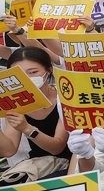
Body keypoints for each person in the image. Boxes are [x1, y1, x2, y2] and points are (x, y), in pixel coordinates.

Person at [0, 47, 70, 183]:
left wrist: (27, 129)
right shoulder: (17, 103)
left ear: (48, 70)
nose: (27, 78)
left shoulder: (64, 97)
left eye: (33, 72)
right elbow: (8, 150)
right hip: (36, 168)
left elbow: (57, 147)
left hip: (69, 165)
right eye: (20, 75)